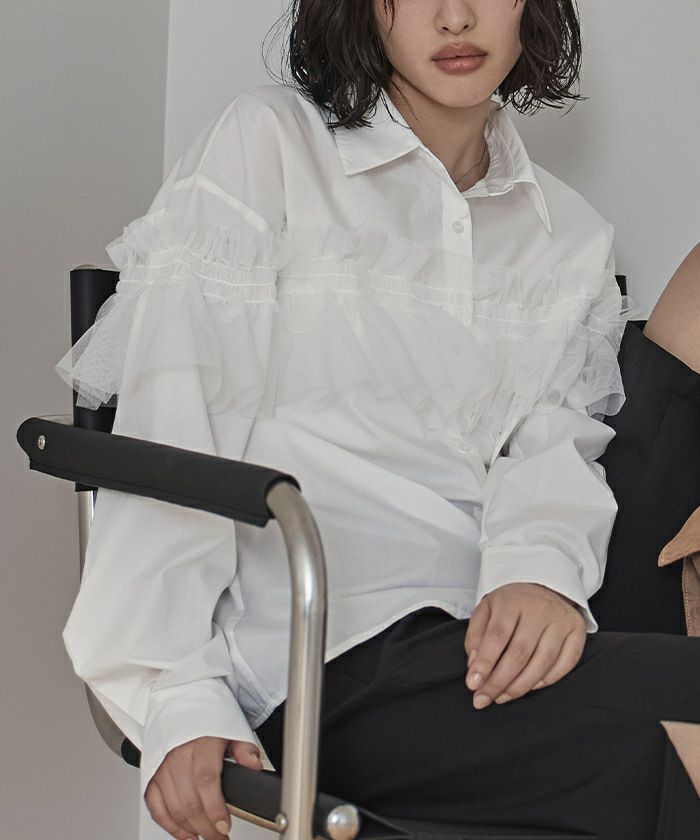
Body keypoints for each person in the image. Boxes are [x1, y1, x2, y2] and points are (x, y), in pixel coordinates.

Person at [55, 2, 700, 839]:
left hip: (491, 640)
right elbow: (175, 428)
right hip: (322, 657)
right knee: (668, 738)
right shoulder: (270, 146)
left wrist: (540, 572)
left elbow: (554, 446)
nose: (456, 16)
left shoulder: (567, 233)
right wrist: (177, 694)